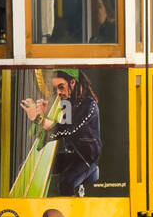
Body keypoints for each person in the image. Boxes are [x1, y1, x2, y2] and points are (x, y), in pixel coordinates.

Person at [20, 68, 101, 196]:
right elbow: (54, 130)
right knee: (40, 170)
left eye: (61, 87)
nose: (58, 92)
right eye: (56, 88)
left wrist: (38, 118)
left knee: (66, 184)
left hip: (85, 158)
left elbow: (68, 130)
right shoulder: (67, 103)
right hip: (71, 155)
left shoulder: (89, 105)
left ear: (72, 83)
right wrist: (43, 114)